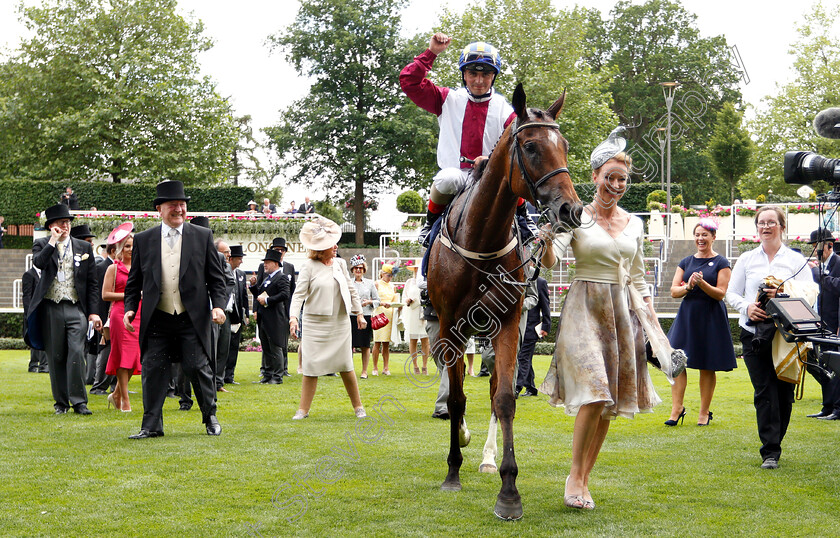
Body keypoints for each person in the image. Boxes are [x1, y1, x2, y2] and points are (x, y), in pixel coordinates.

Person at [538, 128, 661, 510]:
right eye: (609, 177)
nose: (616, 185)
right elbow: (551, 262)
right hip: (582, 306)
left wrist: (650, 315)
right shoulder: (575, 216)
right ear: (594, 177)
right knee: (594, 389)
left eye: (622, 179)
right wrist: (545, 242)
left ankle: (585, 478)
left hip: (622, 312)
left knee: (609, 398)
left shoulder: (635, 224)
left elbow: (638, 275)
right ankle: (574, 475)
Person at [400, 33, 538, 246]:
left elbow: (519, 148)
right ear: (464, 74)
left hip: (491, 178)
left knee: (513, 174)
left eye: (486, 75)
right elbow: (409, 82)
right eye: (473, 73)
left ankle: (523, 218)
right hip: (456, 177)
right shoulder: (447, 99)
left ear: (494, 76)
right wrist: (431, 53)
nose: (479, 81)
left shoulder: (504, 110)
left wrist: (491, 160)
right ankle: (431, 222)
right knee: (447, 178)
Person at [123, 180, 228, 438]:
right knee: (152, 368)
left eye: (182, 205)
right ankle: (151, 426)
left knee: (196, 366)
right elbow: (134, 281)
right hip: (157, 317)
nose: (179, 209)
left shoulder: (202, 236)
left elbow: (217, 279)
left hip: (191, 317)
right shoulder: (144, 239)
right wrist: (129, 309)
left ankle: (210, 416)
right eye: (173, 205)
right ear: (159, 208)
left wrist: (218, 306)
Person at [725, 206, 816, 469]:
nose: (766, 227)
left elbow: (811, 292)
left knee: (784, 393)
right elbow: (733, 293)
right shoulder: (746, 259)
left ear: (782, 226)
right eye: (761, 223)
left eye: (771, 223)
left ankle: (776, 441)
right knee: (764, 391)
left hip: (786, 337)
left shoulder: (795, 260)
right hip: (754, 335)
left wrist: (784, 292)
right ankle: (770, 451)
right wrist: (747, 307)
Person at [26, 204, 102, 415]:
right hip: (51, 307)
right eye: (61, 223)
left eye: (68, 222)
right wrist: (52, 241)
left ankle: (79, 402)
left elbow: (92, 283)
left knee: (77, 352)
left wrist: (93, 312)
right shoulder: (41, 244)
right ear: (51, 226)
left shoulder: (83, 247)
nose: (65, 226)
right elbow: (39, 264)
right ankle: (61, 402)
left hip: (76, 307)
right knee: (56, 356)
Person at [289, 217, 366, 419]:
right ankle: (302, 410)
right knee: (311, 366)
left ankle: (358, 407)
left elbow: (351, 290)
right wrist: (293, 318)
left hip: (339, 322)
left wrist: (359, 313)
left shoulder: (340, 263)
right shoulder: (308, 266)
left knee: (346, 365)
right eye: (331, 244)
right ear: (321, 249)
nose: (336, 246)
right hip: (315, 323)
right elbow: (298, 295)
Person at [666, 219, 737, 426]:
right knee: (677, 362)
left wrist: (702, 283)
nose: (700, 238)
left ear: (713, 237)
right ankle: (676, 409)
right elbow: (673, 291)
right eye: (697, 234)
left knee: (707, 365)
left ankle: (704, 413)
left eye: (705, 234)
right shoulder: (686, 262)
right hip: (688, 315)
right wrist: (688, 286)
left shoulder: (722, 262)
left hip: (711, 317)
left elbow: (720, 294)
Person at [102, 228, 141, 412]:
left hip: (139, 314)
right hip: (119, 314)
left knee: (134, 357)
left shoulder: (142, 268)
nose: (131, 249)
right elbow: (105, 294)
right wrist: (128, 295)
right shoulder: (114, 268)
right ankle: (124, 399)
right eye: (127, 246)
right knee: (122, 355)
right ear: (120, 248)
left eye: (133, 246)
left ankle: (116, 394)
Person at [805, 228, 840, 420]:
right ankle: (827, 406)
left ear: (829, 246)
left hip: (835, 324)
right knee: (824, 364)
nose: (815, 251)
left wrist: (818, 274)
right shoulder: (816, 267)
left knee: (836, 365)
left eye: (817, 247)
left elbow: (838, 287)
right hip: (821, 323)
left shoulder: (837, 263)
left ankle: (838, 408)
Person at [250, 237, 296, 380]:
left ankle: (277, 376)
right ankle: (267, 374)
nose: (265, 265)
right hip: (265, 316)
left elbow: (285, 294)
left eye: (267, 262)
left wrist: (268, 300)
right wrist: (253, 287)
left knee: (275, 346)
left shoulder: (282, 277)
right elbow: (260, 294)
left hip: (276, 316)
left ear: (275, 264)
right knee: (267, 346)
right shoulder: (267, 278)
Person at [516, 269, 551, 398]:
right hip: (518, 326)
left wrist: (546, 326)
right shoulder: (516, 279)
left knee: (523, 358)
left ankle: (516, 387)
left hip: (531, 327)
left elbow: (545, 306)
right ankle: (530, 387)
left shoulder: (540, 282)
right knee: (525, 358)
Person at [349, 255, 379, 379]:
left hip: (366, 315)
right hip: (351, 316)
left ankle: (364, 371)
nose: (358, 270)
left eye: (360, 268)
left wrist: (369, 302)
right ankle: (349, 370)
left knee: (365, 345)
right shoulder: (348, 283)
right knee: (349, 345)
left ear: (364, 269)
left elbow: (378, 300)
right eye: (356, 268)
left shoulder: (370, 283)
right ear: (352, 270)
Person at [224, 244, 250, 385]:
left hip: (237, 316)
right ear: (231, 259)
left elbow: (244, 296)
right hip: (225, 313)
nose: (241, 261)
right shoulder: (223, 271)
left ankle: (230, 375)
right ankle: (220, 376)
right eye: (239, 258)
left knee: (234, 346)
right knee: (223, 347)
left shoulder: (241, 274)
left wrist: (245, 314)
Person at [402, 264, 430, 375]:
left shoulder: (427, 280)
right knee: (412, 338)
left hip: (424, 312)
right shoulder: (409, 282)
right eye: (416, 269)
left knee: (425, 339)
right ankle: (415, 366)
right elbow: (404, 296)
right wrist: (407, 300)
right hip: (412, 312)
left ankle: (424, 366)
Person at [371, 264, 397, 376]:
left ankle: (386, 367)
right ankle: (375, 367)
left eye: (391, 276)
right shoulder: (376, 284)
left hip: (390, 313)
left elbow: (395, 299)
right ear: (382, 274)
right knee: (377, 342)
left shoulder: (393, 286)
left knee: (386, 343)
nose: (390, 278)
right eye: (388, 275)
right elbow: (372, 299)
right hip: (379, 313)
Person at [22, 265, 48, 373]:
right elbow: (27, 296)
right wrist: (29, 313)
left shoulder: (46, 274)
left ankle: (44, 365)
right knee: (34, 337)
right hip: (33, 311)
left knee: (44, 338)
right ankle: (33, 364)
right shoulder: (29, 274)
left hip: (44, 311)